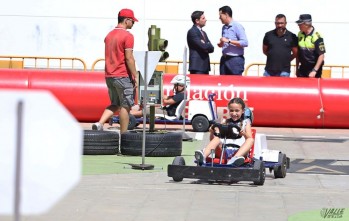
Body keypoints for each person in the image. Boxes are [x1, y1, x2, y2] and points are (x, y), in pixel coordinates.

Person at [92, 8, 138, 133]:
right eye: (132, 21)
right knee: (125, 106)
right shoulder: (128, 36)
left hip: (109, 76)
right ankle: (123, 136)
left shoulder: (109, 35)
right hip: (123, 75)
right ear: (127, 20)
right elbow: (129, 58)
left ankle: (99, 123)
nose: (133, 24)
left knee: (115, 103)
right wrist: (136, 76)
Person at [194, 97, 254, 166]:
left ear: (242, 111)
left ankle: (234, 159)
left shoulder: (245, 123)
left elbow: (249, 139)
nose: (234, 113)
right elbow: (212, 140)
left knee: (250, 140)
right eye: (231, 110)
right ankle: (203, 156)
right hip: (223, 151)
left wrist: (244, 134)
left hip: (239, 152)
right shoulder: (225, 122)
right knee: (216, 138)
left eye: (237, 111)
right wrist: (212, 132)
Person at [217, 5, 248, 75]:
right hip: (224, 59)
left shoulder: (237, 26)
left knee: (236, 83)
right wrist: (221, 43)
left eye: (220, 15)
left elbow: (245, 42)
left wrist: (229, 41)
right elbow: (225, 42)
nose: (219, 18)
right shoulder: (224, 28)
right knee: (223, 83)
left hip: (235, 60)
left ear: (226, 15)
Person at [296, 14, 326, 78]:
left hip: (313, 70)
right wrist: (297, 68)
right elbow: (298, 53)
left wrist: (314, 71)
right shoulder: (300, 34)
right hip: (302, 69)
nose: (298, 25)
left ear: (306, 24)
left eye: (300, 24)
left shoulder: (317, 36)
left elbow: (321, 55)